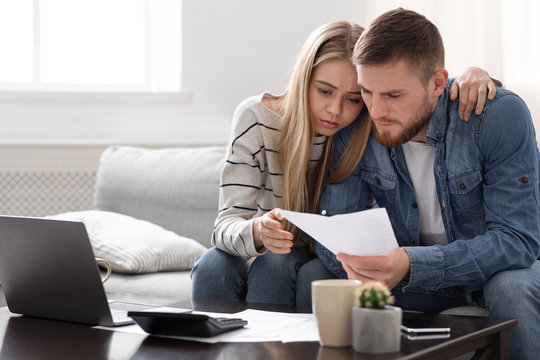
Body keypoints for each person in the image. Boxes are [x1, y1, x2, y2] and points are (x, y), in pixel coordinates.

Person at [191, 20, 497, 306]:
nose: (335, 110)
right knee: (212, 266)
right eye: (324, 91)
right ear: (303, 78)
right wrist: (257, 231)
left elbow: (422, 91)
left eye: (353, 98)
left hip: (321, 254)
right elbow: (225, 226)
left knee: (279, 265)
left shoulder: (369, 122)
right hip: (265, 244)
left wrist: (478, 75)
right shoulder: (255, 119)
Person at [315, 9, 539, 360]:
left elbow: (517, 242)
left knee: (510, 286)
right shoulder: (357, 122)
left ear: (437, 83)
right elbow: (336, 228)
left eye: (393, 95)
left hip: (491, 276)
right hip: (413, 282)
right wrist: (366, 265)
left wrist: (411, 263)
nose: (375, 110)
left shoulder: (496, 116)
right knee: (315, 275)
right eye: (367, 92)